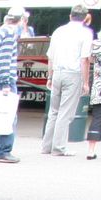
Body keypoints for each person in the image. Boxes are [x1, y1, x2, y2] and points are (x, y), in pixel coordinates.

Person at [42, 4, 93, 157]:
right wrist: (85, 82)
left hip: (57, 72)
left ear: (70, 16)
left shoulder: (59, 31)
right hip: (73, 74)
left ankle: (47, 145)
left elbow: (50, 56)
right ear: (85, 18)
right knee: (66, 113)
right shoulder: (86, 33)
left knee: (54, 111)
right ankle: (59, 147)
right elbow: (85, 59)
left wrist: (50, 76)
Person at [0, 9, 22, 163]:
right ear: (20, 19)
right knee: (8, 116)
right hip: (6, 79)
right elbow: (6, 58)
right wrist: (7, 82)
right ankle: (4, 151)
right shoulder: (10, 32)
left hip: (0, 78)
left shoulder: (2, 30)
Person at [87, 35, 101, 159]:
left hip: (98, 88)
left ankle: (91, 151)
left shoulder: (96, 45)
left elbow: (90, 60)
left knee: (97, 118)